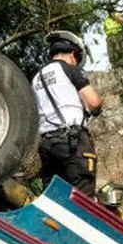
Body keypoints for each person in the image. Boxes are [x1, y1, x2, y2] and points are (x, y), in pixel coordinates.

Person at [31, 31, 103, 196]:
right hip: (72, 141)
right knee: (82, 196)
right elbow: (94, 102)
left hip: (47, 145)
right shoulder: (71, 70)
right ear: (72, 54)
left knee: (56, 198)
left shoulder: (36, 78)